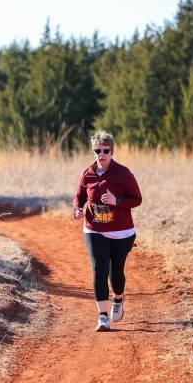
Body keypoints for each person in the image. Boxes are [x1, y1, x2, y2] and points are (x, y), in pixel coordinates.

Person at [73, 130, 142, 332]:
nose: (101, 154)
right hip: (94, 229)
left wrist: (116, 201)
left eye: (105, 150)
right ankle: (102, 317)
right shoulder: (88, 174)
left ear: (112, 152)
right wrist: (77, 209)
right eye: (97, 150)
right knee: (99, 268)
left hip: (122, 231)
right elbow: (79, 196)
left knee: (116, 273)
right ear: (93, 152)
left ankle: (118, 298)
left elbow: (137, 199)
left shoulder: (123, 173)